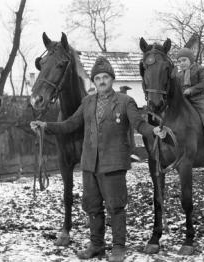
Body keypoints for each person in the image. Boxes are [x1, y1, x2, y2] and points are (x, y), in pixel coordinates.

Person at [30, 57, 166, 262]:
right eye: (98, 78)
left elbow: (139, 124)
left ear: (112, 79)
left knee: (116, 206)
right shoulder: (87, 102)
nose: (101, 81)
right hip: (89, 163)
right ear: (94, 81)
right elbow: (69, 124)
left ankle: (119, 247)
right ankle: (97, 246)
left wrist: (153, 130)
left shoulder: (125, 101)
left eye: (105, 77)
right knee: (92, 206)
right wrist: (45, 126)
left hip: (114, 164)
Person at [176, 47, 204, 143]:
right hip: (185, 98)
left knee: (203, 109)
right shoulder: (179, 74)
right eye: (179, 61)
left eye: (184, 60)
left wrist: (191, 90)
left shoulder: (199, 69)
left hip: (198, 97)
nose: (182, 63)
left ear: (191, 59)